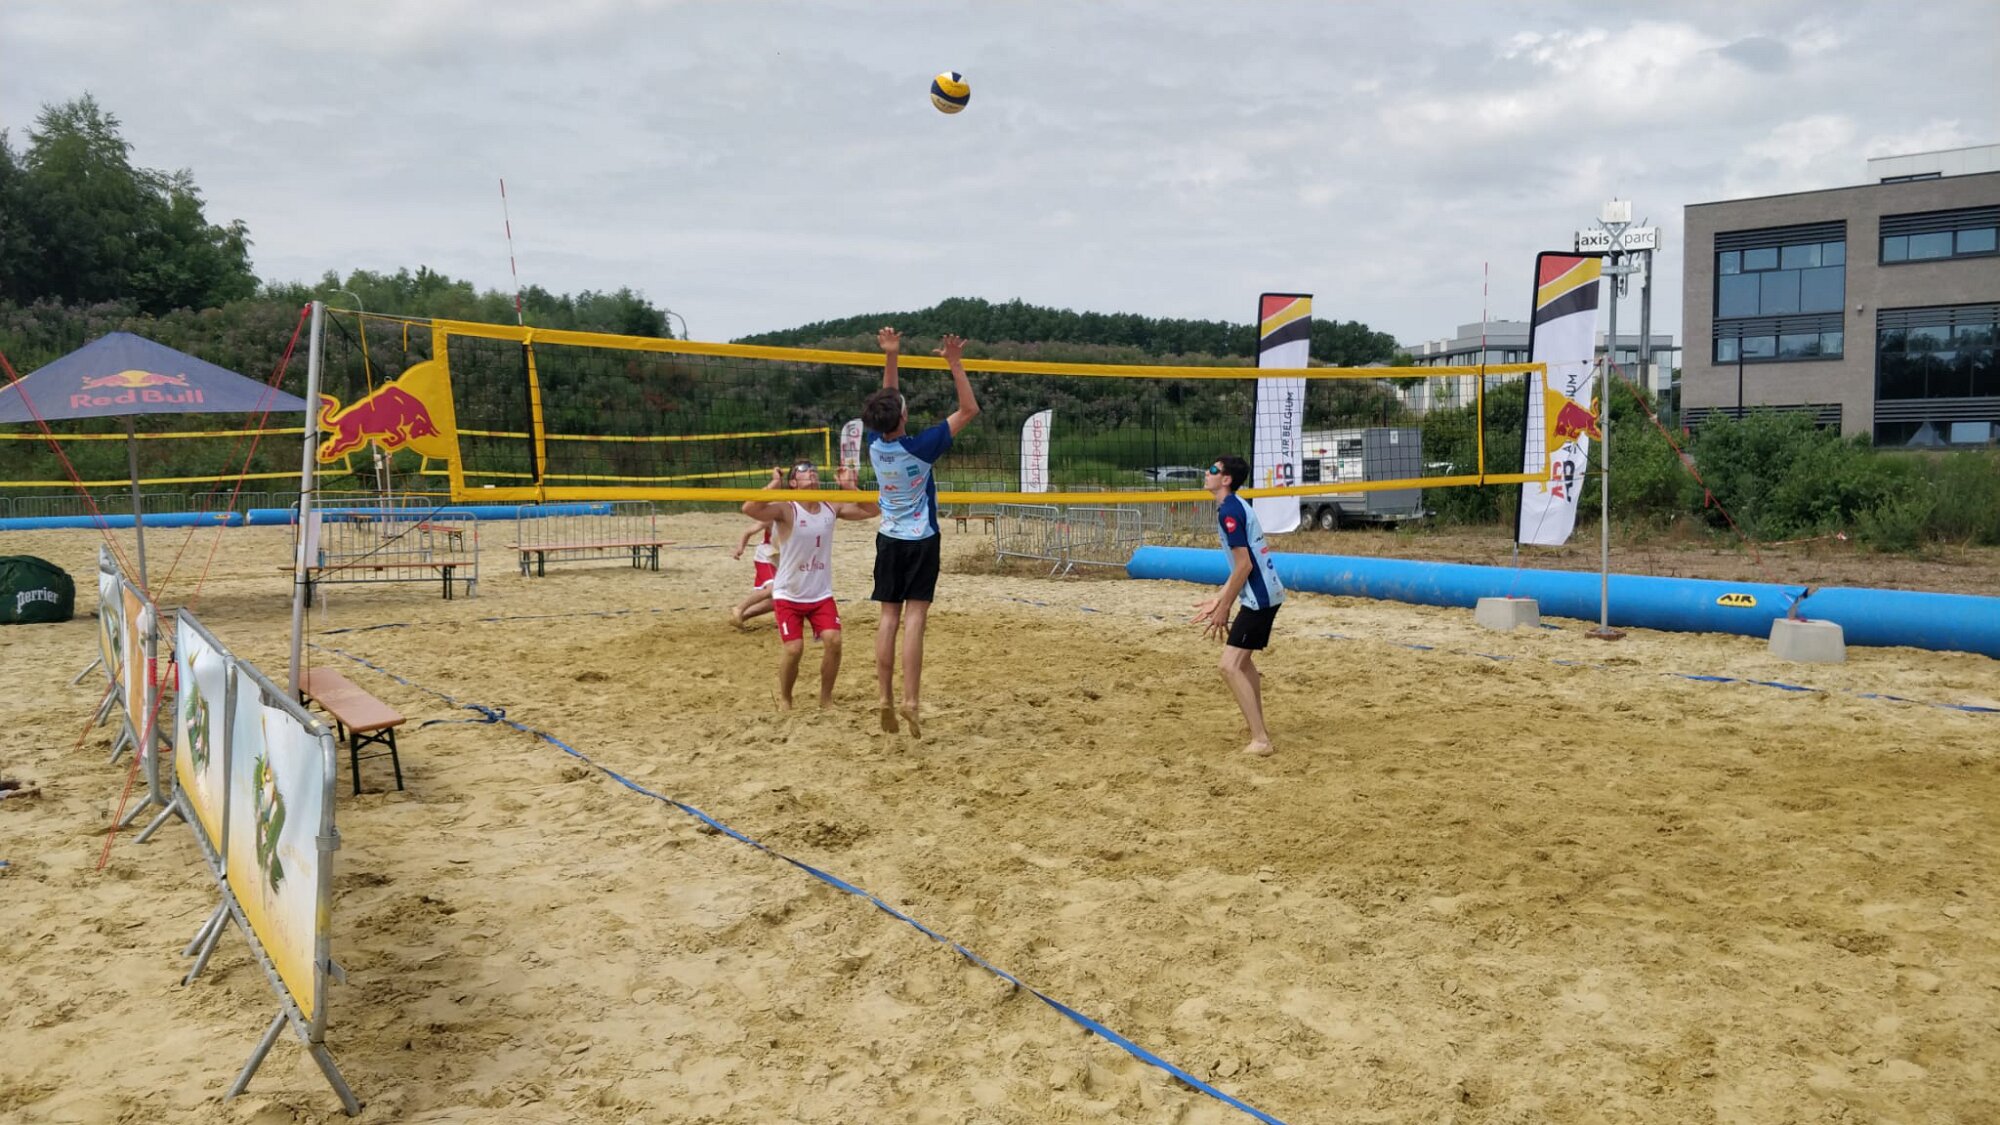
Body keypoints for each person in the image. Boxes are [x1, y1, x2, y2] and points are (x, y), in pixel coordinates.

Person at [863, 327, 979, 738]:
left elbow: (888, 399)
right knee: (914, 619)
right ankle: (910, 701)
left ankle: (884, 697)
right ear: (904, 417)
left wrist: (891, 355)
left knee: (888, 618)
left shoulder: (874, 443)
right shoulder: (922, 446)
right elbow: (969, 409)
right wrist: (955, 363)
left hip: (889, 538)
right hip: (922, 539)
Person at [740, 460, 879, 710]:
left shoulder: (830, 505)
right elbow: (749, 507)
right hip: (788, 593)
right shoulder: (786, 508)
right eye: (803, 470)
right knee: (794, 649)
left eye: (813, 469)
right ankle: (786, 698)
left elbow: (873, 510)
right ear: (793, 482)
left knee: (834, 641)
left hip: (820, 593)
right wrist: (774, 484)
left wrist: (850, 487)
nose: (811, 471)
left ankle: (826, 699)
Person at [1191, 455, 1284, 756]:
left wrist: (1224, 607)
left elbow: (1244, 565)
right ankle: (1258, 727)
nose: (1207, 473)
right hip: (1264, 594)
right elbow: (1241, 566)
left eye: (1213, 469)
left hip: (1259, 599)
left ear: (1226, 479)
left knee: (1228, 666)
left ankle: (1261, 740)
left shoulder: (1230, 511)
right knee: (1242, 664)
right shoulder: (1233, 506)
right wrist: (1220, 597)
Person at [729, 517, 778, 628]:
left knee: (780, 597)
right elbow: (748, 532)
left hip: (782, 558)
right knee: (772, 589)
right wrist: (740, 549)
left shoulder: (801, 516)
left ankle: (743, 616)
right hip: (766, 556)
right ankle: (739, 608)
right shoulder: (772, 516)